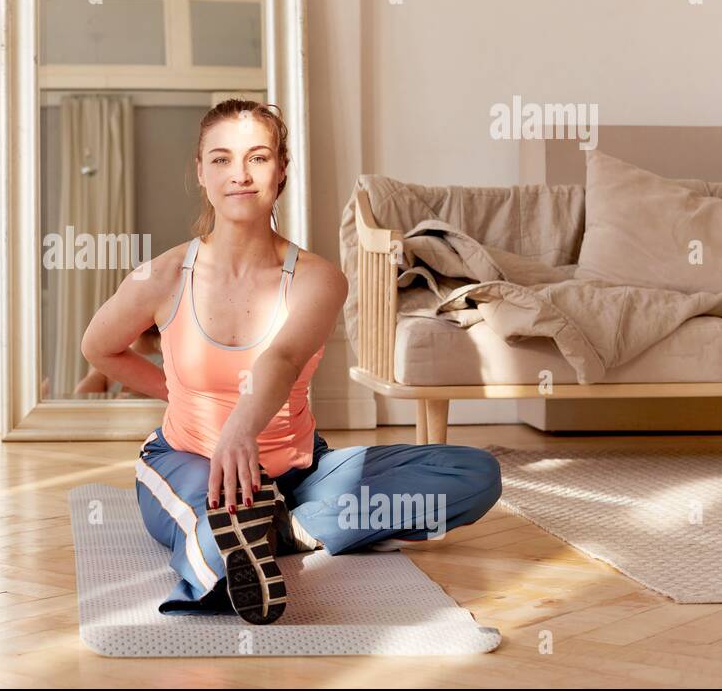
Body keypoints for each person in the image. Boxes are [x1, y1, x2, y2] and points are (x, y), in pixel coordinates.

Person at [80, 99, 502, 625]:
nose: (239, 175)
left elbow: (281, 357)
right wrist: (179, 393)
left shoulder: (318, 278)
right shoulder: (162, 276)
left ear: (281, 171)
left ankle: (282, 528)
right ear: (201, 172)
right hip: (189, 461)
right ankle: (247, 543)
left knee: (473, 473)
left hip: (300, 471)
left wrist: (240, 427)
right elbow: (99, 348)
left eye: (257, 158)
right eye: (221, 160)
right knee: (215, 539)